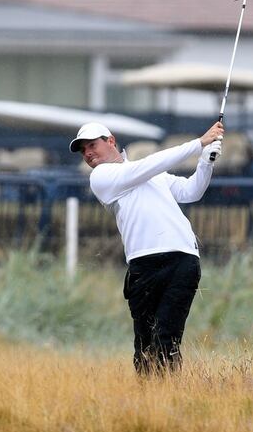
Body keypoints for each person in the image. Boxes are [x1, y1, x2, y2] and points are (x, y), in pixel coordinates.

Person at [70, 120, 224, 374]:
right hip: (144, 265)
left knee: (167, 338)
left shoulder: (147, 172)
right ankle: (148, 402)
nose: (87, 153)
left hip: (183, 259)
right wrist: (198, 144)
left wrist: (206, 161)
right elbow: (151, 165)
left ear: (111, 141)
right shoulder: (101, 177)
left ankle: (167, 399)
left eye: (92, 145)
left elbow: (190, 192)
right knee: (145, 344)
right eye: (83, 150)